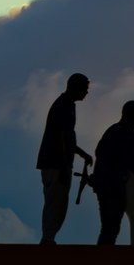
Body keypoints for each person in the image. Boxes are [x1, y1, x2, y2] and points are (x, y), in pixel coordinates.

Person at [35, 73, 95, 244]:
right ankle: (47, 239)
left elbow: (66, 138)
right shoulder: (63, 105)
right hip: (55, 164)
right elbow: (59, 137)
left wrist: (81, 154)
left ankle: (49, 238)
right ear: (75, 87)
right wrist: (63, 165)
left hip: (56, 163)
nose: (86, 92)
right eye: (85, 88)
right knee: (56, 202)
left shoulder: (68, 105)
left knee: (58, 203)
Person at [86, 101, 134, 246]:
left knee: (107, 227)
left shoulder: (111, 130)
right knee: (112, 227)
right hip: (114, 186)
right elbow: (132, 160)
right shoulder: (129, 134)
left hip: (102, 185)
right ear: (130, 114)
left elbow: (99, 153)